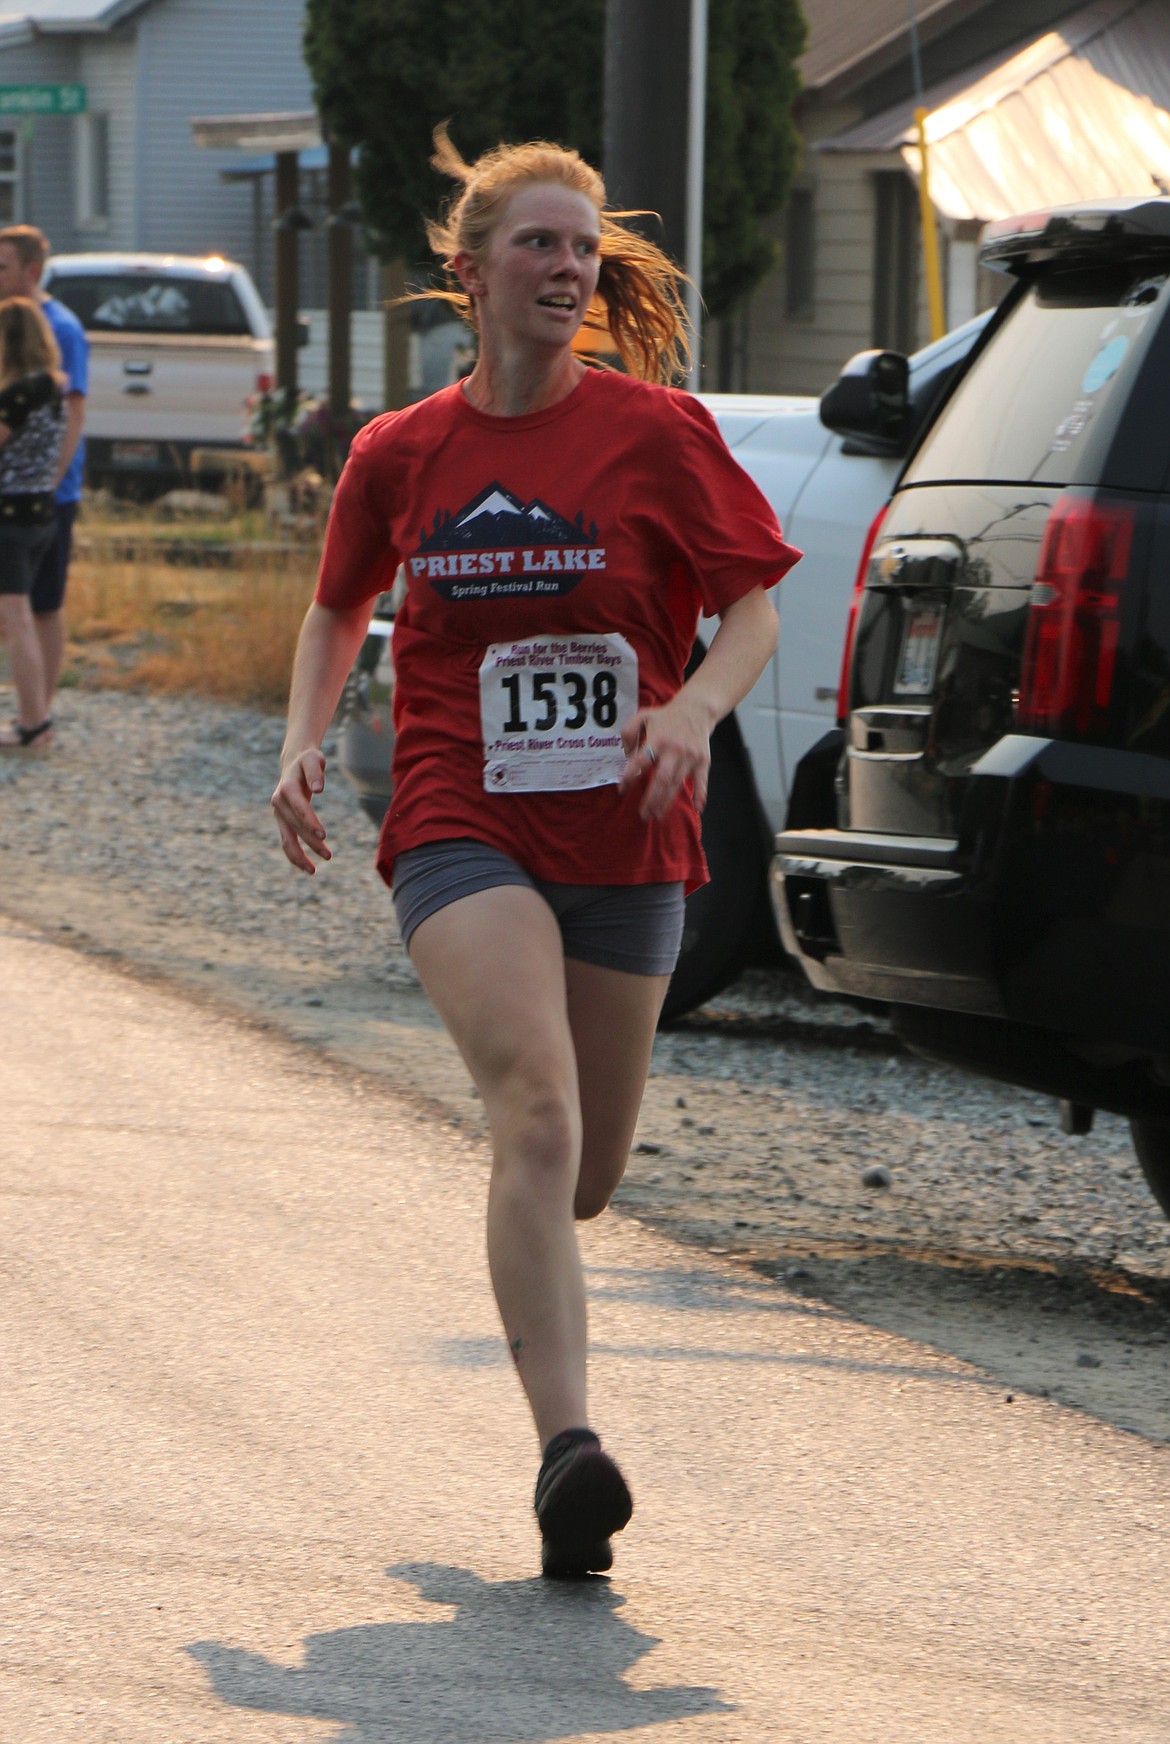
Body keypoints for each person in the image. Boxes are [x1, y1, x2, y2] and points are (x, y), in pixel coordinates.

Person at [272, 130, 801, 1578]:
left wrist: (691, 708)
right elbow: (336, 610)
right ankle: (568, 1451)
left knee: (579, 1175)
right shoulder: (402, 453)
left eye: (581, 249)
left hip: (630, 829)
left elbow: (751, 608)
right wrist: (302, 738)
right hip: (461, 810)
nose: (567, 270)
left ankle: (531, 1246)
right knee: (536, 1107)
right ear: (469, 271)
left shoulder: (656, 432)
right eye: (537, 246)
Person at [0, 225, 88, 720]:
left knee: (42, 605)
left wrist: (49, 483)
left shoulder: (61, 327)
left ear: (30, 270)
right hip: (27, 489)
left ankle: (38, 710)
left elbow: (73, 412)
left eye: (2, 266)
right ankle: (32, 708)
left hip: (45, 491)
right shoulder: (9, 319)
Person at [0, 295, 67, 748]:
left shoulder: (16, 394)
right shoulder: (54, 387)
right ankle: (37, 713)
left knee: (16, 618)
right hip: (43, 509)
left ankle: (32, 724)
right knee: (21, 616)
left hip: (10, 516)